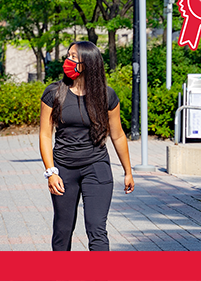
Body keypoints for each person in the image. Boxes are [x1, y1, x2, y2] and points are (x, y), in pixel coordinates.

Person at [39, 41, 134, 251]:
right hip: (64, 169)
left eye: (74, 57)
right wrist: (51, 172)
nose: (68, 60)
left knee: (97, 229)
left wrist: (128, 171)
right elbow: (45, 135)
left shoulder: (106, 95)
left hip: (96, 166)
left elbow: (117, 135)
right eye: (68, 55)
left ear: (88, 63)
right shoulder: (54, 93)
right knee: (63, 229)